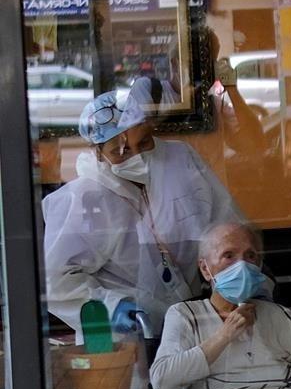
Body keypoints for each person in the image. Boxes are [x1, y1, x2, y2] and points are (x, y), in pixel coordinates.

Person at [42, 87, 246, 345]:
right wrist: (110, 306)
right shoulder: (83, 198)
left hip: (199, 319)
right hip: (127, 336)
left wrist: (237, 275)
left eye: (145, 142)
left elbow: (226, 223)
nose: (137, 156)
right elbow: (56, 281)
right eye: (121, 151)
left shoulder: (179, 160)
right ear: (98, 152)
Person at [151, 222, 291, 389]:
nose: (242, 265)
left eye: (250, 256)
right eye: (229, 255)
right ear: (205, 269)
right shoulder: (185, 315)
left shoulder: (279, 314)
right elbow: (162, 382)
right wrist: (224, 336)